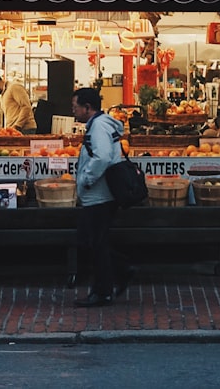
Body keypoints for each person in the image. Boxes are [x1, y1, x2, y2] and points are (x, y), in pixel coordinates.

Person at [70, 87, 134, 307]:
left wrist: (86, 179)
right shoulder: (99, 125)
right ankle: (119, 272)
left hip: (99, 195)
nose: (73, 111)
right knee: (94, 241)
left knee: (94, 243)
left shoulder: (98, 127)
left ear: (88, 108)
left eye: (75, 107)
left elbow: (103, 156)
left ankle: (104, 290)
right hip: (100, 194)